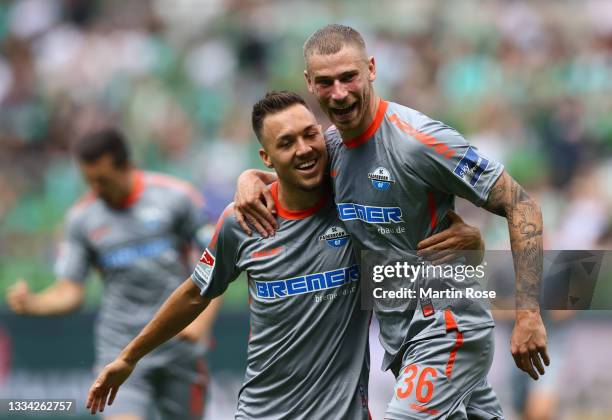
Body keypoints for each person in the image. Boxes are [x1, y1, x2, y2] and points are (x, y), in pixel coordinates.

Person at [86, 91, 486, 419]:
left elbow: (416, 259)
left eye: (309, 134)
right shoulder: (242, 222)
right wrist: (128, 357)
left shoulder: (355, 205)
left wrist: (474, 246)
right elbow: (195, 293)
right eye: (285, 143)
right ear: (266, 158)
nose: (303, 149)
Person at [235, 24, 549, 419]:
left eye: (349, 77)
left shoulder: (418, 141)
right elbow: (286, 177)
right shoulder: (330, 149)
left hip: (448, 325)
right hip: (403, 339)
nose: (340, 92)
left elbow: (521, 204)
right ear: (309, 84)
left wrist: (529, 313)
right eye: (326, 81)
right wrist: (247, 179)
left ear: (371, 69)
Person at [7, 128, 220, 420]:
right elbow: (70, 291)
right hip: (119, 350)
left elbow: (219, 260)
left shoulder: (176, 197)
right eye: (90, 181)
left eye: (103, 180)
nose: (96, 188)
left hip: (178, 347)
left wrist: (201, 324)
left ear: (125, 166)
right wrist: (34, 304)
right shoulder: (82, 219)